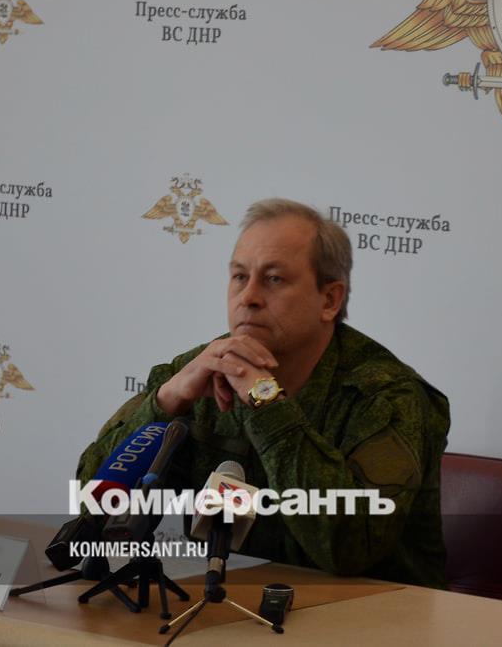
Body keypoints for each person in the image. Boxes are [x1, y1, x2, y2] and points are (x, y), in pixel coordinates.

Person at [76, 198, 450, 588]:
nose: (248, 297)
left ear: (329, 300)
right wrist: (166, 401)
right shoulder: (202, 369)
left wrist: (265, 401)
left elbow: (348, 547)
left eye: (273, 279)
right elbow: (92, 502)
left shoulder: (389, 395)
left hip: (373, 612)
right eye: (240, 276)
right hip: (226, 603)